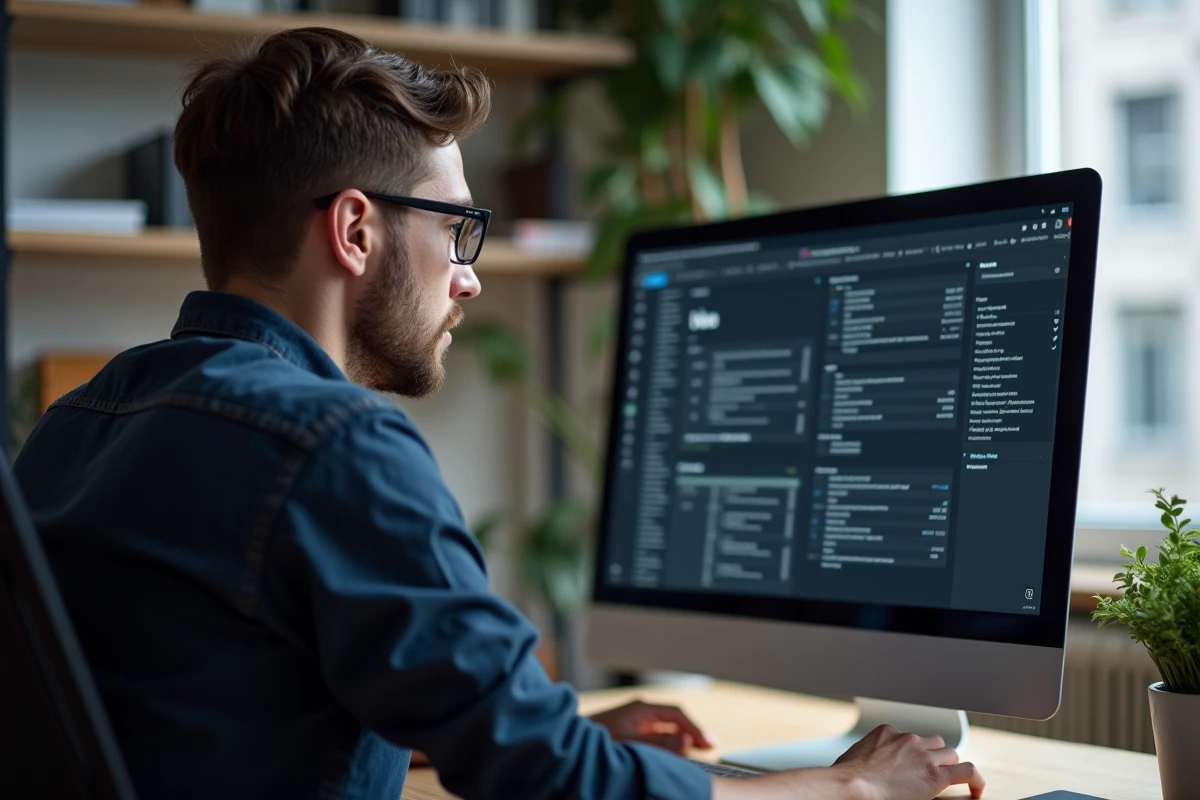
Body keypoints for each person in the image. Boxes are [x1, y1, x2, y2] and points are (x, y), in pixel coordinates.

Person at [12, 27, 985, 800]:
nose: (470, 277)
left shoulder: (80, 422)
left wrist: (525, 724)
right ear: (355, 228)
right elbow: (557, 784)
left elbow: (206, 726)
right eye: (458, 228)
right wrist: (849, 782)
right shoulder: (336, 445)